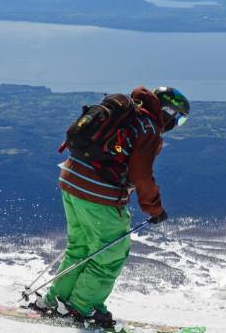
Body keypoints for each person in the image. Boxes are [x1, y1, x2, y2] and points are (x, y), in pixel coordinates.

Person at [30, 86, 190, 328]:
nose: (176, 123)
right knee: (110, 254)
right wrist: (155, 209)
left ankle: (57, 300)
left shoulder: (129, 113)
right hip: (97, 193)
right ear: (168, 112)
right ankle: (81, 308)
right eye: (179, 118)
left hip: (71, 179)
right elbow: (141, 175)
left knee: (80, 247)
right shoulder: (149, 128)